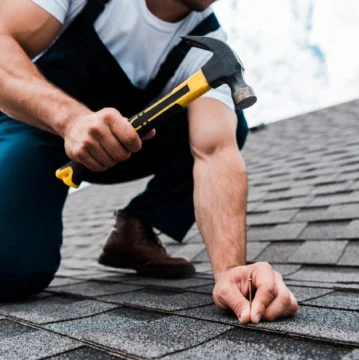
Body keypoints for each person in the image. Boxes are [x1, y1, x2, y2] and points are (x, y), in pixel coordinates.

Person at [0, 0, 298, 323]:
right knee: (13, 264)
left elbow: (216, 153)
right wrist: (70, 119)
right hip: (32, 128)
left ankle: (136, 230)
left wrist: (231, 271)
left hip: (121, 146)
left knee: (230, 124)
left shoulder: (208, 47)